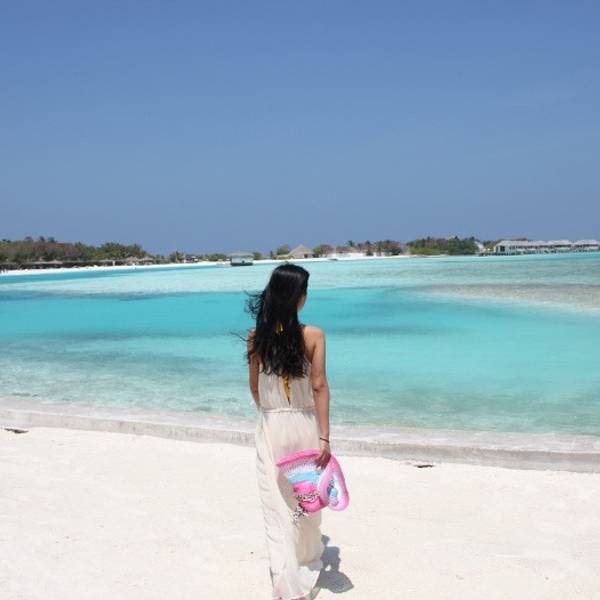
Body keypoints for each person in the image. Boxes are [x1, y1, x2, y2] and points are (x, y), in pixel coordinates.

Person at [245, 263, 331, 600]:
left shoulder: (257, 338)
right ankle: (305, 565)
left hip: (271, 425)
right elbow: (319, 385)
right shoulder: (314, 335)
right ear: (299, 297)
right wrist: (324, 436)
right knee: (306, 499)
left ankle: (285, 581)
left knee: (276, 505)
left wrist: (271, 413)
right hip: (305, 424)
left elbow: (254, 388)